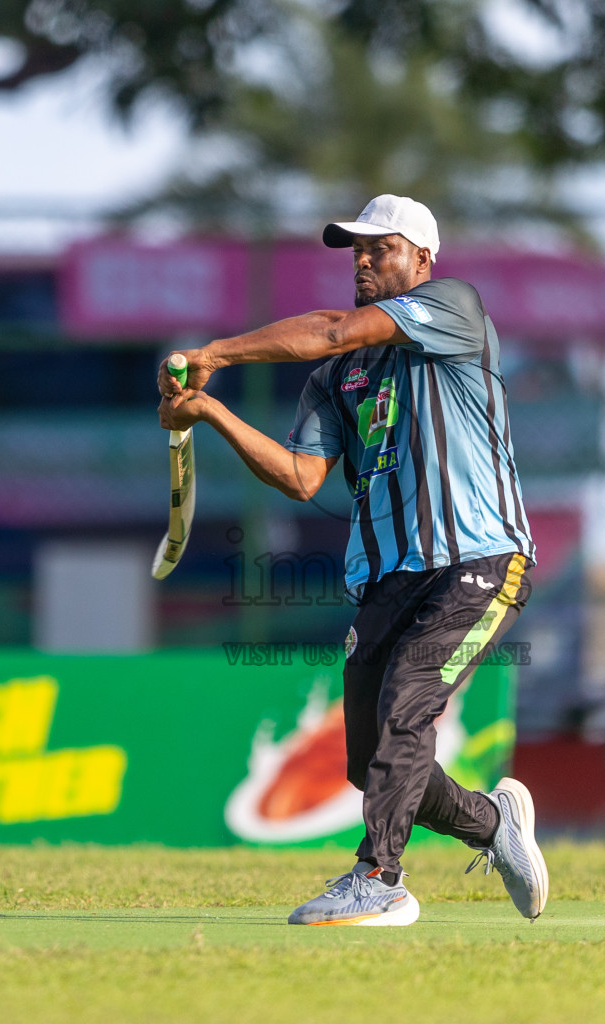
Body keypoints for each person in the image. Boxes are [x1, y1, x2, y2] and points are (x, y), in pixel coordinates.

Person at [157, 194, 547, 927]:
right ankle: (493, 826)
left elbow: (331, 329)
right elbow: (303, 477)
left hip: (481, 560)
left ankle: (380, 879)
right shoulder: (336, 377)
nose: (364, 262)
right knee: (370, 761)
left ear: (422, 259)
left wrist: (211, 356)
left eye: (381, 248)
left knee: (408, 706)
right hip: (389, 579)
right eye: (357, 252)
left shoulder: (452, 306)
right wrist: (209, 412)